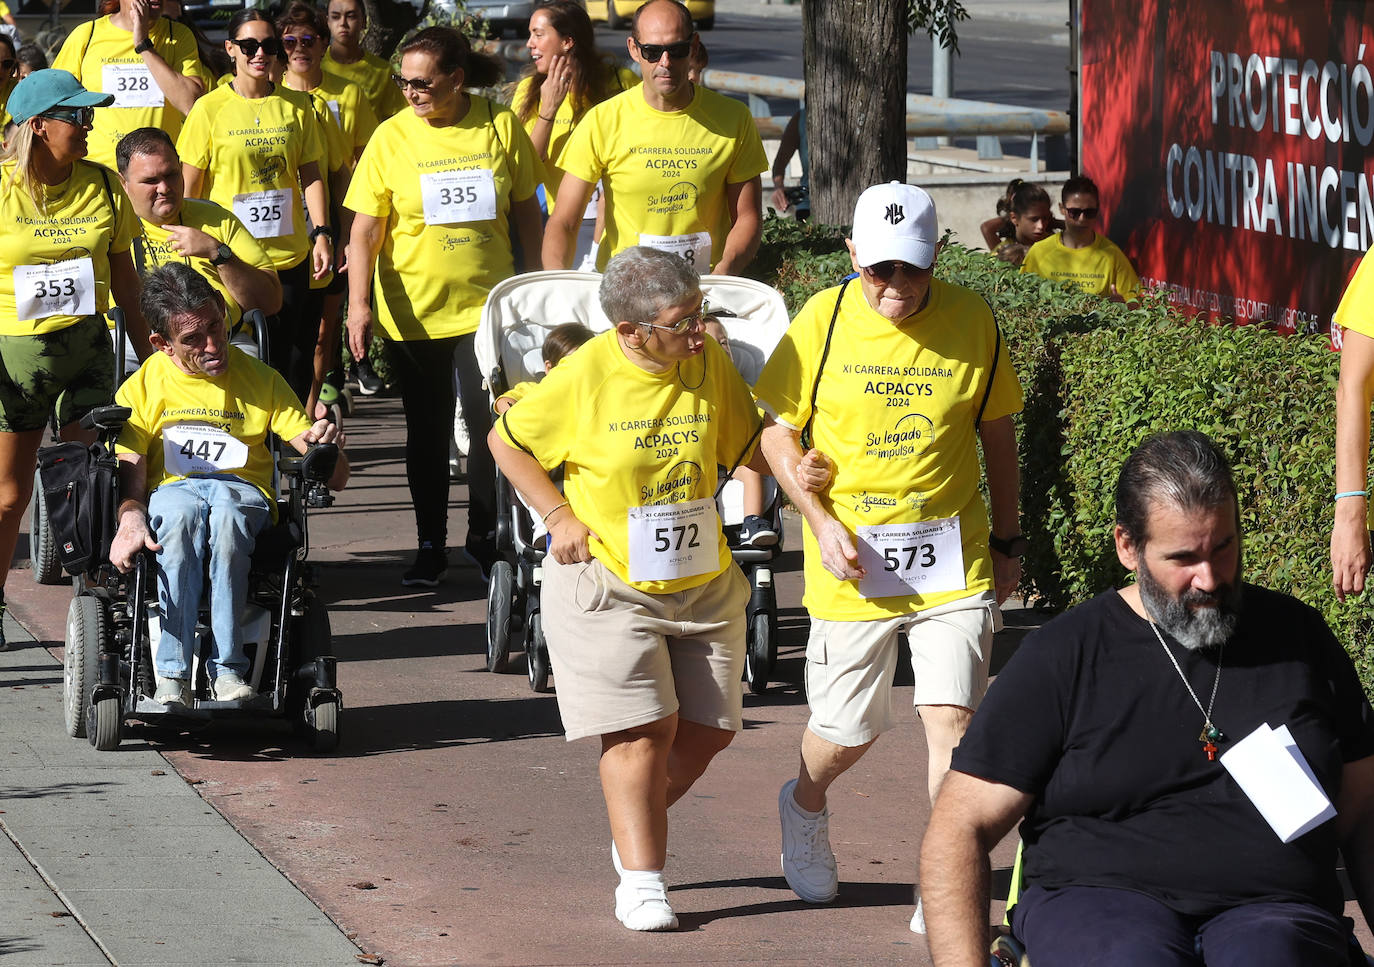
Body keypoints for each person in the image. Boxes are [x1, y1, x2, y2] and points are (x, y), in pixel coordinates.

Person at [921, 430, 1374, 967]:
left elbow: (1365, 808)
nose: (1209, 577)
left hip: (1277, 910)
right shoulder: (1065, 655)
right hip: (1098, 902)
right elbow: (958, 827)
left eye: (1224, 547)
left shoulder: (1298, 638)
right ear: (1127, 547)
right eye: (1183, 557)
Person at [754, 182, 1024, 926]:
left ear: (937, 256)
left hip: (951, 557)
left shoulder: (975, 320)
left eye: (910, 269)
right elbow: (777, 432)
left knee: (953, 722)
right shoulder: (824, 318)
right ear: (852, 258)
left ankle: (945, 876)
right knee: (847, 731)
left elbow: (997, 436)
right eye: (878, 270)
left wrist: (1008, 541)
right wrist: (815, 511)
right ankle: (804, 804)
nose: (895, 287)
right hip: (852, 558)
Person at [488, 247, 772, 931]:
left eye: (700, 312)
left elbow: (749, 444)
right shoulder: (585, 375)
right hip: (609, 576)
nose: (698, 330)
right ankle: (643, 877)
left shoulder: (706, 364)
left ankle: (632, 820)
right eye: (682, 321)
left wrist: (816, 473)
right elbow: (507, 440)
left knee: (707, 731)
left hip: (701, 575)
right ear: (631, 331)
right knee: (644, 730)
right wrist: (558, 514)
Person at [344, 25, 542, 587]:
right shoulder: (391, 137)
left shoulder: (499, 124)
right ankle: (430, 543)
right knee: (425, 431)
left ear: (456, 79)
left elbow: (528, 212)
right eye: (404, 82)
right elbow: (364, 231)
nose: (411, 93)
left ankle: (484, 538)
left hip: (485, 310)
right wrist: (358, 307)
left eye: (423, 83)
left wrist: (531, 282)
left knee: (490, 427)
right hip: (413, 310)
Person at [108, 264, 348, 705]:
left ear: (222, 310)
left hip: (242, 493)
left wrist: (324, 445)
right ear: (162, 344)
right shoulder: (142, 386)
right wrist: (129, 520)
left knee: (226, 518)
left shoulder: (261, 379)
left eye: (216, 327)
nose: (214, 345)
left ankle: (228, 671)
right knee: (177, 520)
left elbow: (322, 461)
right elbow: (132, 470)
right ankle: (172, 676)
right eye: (193, 340)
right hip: (174, 491)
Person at [0, 69, 150, 650]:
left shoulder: (105, 186)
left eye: (90, 115)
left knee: (85, 485)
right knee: (11, 497)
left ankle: (96, 607)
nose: (88, 126)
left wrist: (151, 357)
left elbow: (128, 285)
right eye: (77, 117)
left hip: (88, 354)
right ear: (38, 127)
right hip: (16, 362)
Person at [177, 8, 332, 406]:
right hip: (234, 261)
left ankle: (291, 454)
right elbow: (189, 191)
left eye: (268, 45)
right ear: (231, 49)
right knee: (245, 365)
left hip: (289, 255)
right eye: (249, 45)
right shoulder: (208, 109)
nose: (259, 53)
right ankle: (254, 457)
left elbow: (311, 173)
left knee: (294, 363)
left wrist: (322, 232)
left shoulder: (298, 105)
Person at [542, 0, 766, 275]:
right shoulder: (603, 120)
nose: (665, 62)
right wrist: (555, 283)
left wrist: (722, 274)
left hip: (703, 289)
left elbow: (747, 217)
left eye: (677, 50)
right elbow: (564, 220)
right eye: (652, 51)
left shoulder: (733, 118)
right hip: (625, 294)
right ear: (634, 49)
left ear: (694, 46)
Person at [279, 0, 377, 418]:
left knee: (322, 332)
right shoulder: (270, 94)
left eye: (308, 39)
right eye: (289, 40)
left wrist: (347, 235)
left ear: (323, 44)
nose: (299, 48)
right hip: (282, 218)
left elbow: (357, 169)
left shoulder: (348, 93)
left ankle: (310, 409)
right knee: (281, 330)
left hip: (332, 215)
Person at [114, 127, 280, 372]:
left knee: (252, 373)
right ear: (123, 183)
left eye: (171, 175)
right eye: (150, 181)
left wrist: (219, 254)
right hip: (140, 344)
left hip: (221, 339)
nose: (164, 188)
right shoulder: (112, 228)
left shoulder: (216, 218)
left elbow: (270, 301)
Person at [514, 0, 638, 269]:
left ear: (567, 41)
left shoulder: (621, 82)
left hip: (619, 222)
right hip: (563, 223)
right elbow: (526, 171)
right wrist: (549, 109)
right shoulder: (530, 92)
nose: (529, 44)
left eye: (538, 34)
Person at [51, 0, 206, 171]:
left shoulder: (177, 35)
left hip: (156, 174)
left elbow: (191, 104)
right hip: (99, 172)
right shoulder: (87, 35)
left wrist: (144, 45)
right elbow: (55, 104)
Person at [702, 315, 775, 546]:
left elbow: (760, 412)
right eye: (710, 344)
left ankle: (752, 522)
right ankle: (703, 529)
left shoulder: (745, 389)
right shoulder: (692, 389)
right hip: (702, 457)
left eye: (724, 343)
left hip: (735, 456)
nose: (720, 349)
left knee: (750, 467)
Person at [1021, 174, 1141, 301]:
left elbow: (1135, 303)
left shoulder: (1112, 255)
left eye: (1089, 213)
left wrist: (1122, 305)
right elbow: (1020, 301)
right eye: (1075, 212)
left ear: (1098, 210)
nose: (1082, 219)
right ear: (1062, 209)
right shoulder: (1039, 251)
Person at [323, 0, 406, 123]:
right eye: (335, 17)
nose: (343, 23)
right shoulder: (314, 65)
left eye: (351, 16)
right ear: (328, 22)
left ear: (364, 21)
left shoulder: (382, 71)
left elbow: (398, 121)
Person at [494, 321, 594, 414]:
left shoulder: (593, 392)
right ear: (549, 368)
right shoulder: (533, 390)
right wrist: (516, 415)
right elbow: (503, 401)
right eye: (570, 364)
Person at [992, 180, 1053, 267]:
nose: (1041, 226)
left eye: (1045, 218)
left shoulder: (1059, 245)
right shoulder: (1001, 253)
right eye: (1034, 219)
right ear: (1014, 218)